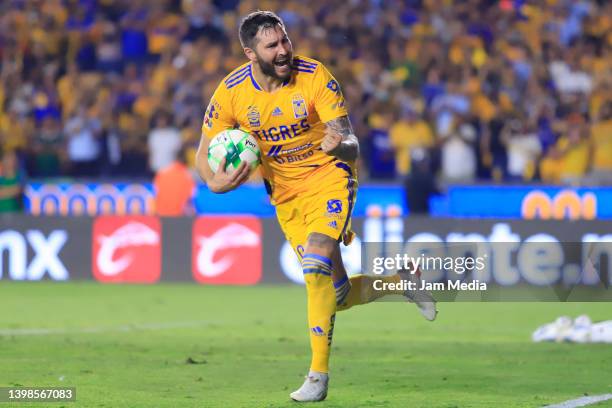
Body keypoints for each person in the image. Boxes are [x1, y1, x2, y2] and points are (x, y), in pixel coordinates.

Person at [195, 11, 437, 403]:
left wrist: (339, 145)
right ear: (250, 53)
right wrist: (213, 180)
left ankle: (317, 376)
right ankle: (401, 283)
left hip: (329, 176)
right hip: (286, 195)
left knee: (314, 264)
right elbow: (203, 155)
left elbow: (352, 143)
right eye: (272, 45)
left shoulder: (316, 76)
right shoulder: (231, 92)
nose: (284, 49)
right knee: (337, 294)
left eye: (285, 40)